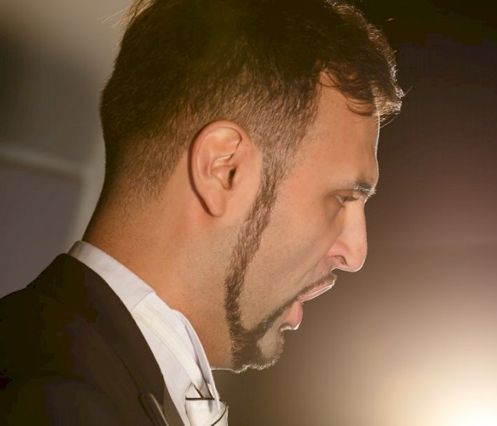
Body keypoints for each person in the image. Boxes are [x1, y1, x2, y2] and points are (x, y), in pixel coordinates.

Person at [0, 0, 402, 424]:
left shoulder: (79, 373)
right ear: (223, 171)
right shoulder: (55, 404)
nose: (354, 253)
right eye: (342, 198)